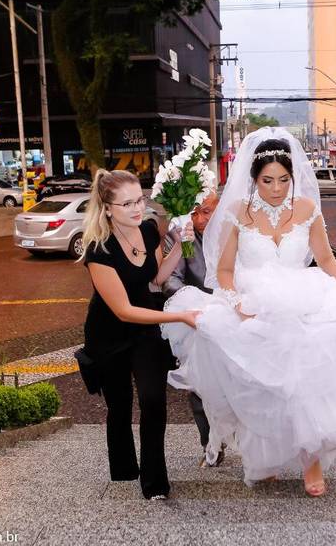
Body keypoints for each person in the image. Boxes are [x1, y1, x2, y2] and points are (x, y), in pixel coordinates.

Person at [161, 128, 336, 497]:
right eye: (267, 180)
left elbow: (326, 258)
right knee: (260, 388)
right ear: (254, 179)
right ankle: (263, 460)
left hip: (302, 301)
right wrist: (237, 305)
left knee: (305, 385)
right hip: (253, 305)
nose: (276, 188)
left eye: (284, 179)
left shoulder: (307, 209)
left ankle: (311, 464)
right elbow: (222, 271)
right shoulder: (237, 212)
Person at [79, 169, 199, 500]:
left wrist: (180, 244)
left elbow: (158, 278)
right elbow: (123, 311)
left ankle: (155, 483)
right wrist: (179, 316)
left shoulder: (147, 230)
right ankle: (123, 471)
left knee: (152, 400)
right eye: (127, 203)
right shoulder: (98, 250)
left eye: (140, 200)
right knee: (120, 405)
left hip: (147, 329)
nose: (137, 209)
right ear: (106, 208)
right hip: (110, 334)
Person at [161, 193, 222, 468]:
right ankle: (210, 446)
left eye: (207, 212)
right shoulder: (178, 233)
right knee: (199, 386)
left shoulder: (237, 228)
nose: (200, 220)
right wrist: (195, 301)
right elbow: (170, 279)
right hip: (199, 318)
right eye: (195, 213)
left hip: (236, 311)